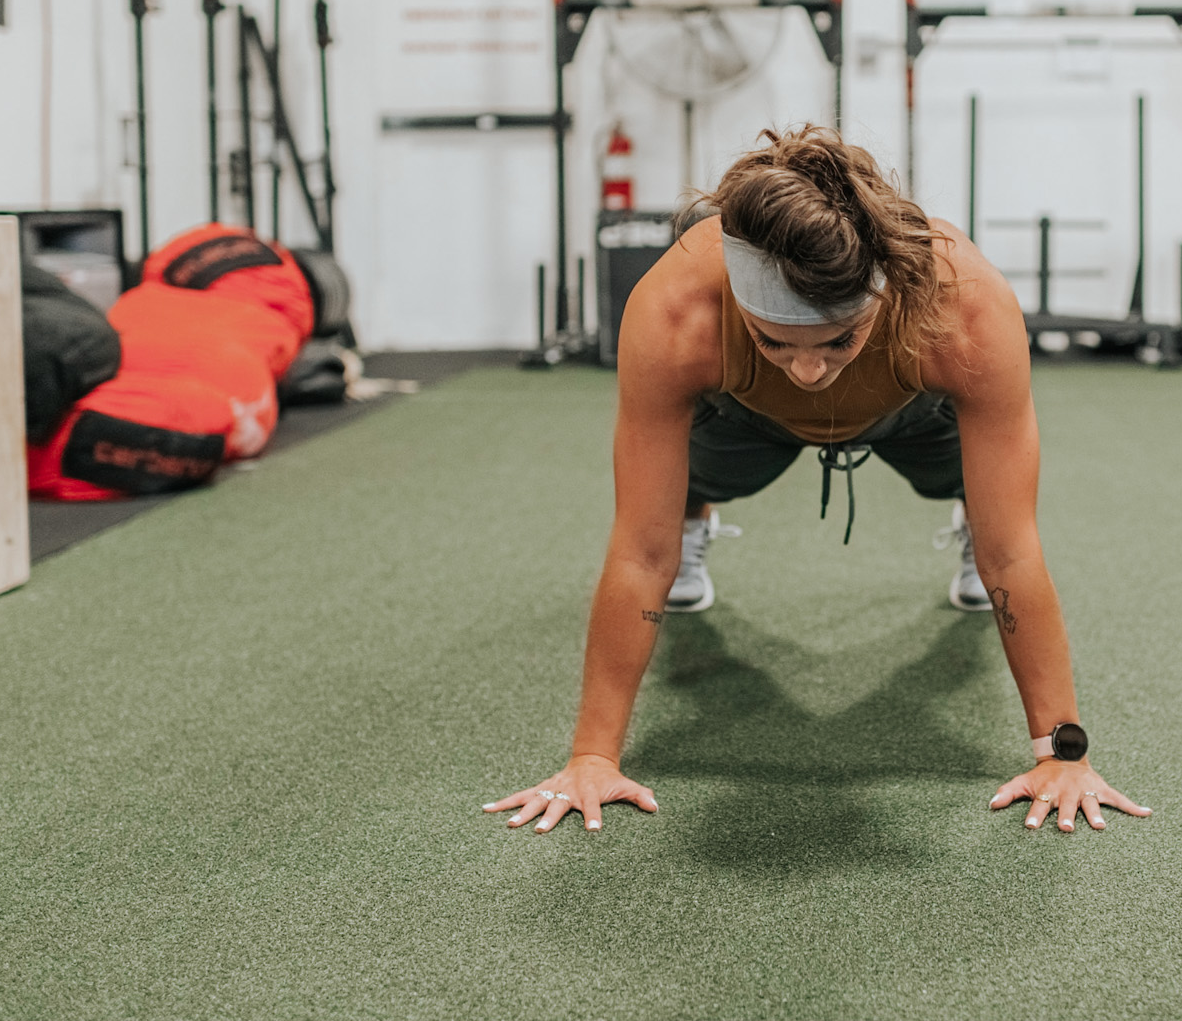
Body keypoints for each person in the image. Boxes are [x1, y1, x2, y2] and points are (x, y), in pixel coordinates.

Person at [486, 126, 1148, 837]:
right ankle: (695, 516)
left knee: (993, 517)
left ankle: (966, 517)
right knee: (667, 508)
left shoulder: (963, 305)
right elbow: (640, 552)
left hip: (913, 416)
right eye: (775, 340)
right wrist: (592, 755)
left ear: (885, 290)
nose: (808, 369)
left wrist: (1064, 753)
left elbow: (1014, 551)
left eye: (839, 338)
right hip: (743, 418)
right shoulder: (675, 308)